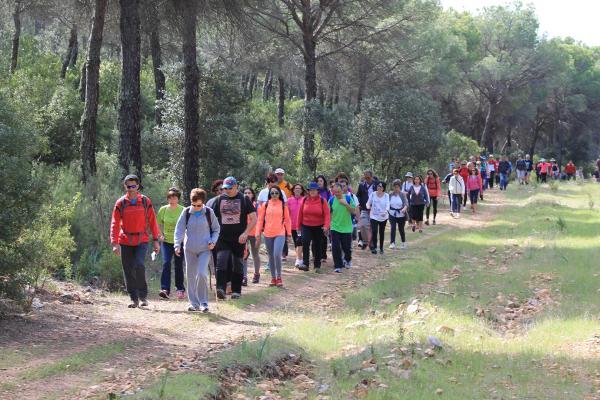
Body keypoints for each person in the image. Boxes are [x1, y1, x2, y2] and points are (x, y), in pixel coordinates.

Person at [110, 174, 160, 308]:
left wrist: (156, 240)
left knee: (139, 265)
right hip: (125, 240)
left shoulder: (145, 201)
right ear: (125, 186)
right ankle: (134, 299)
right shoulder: (120, 203)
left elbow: (153, 221)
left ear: (138, 186)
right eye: (128, 186)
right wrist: (114, 243)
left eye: (133, 186)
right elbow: (115, 223)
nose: (131, 188)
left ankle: (143, 296)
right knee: (128, 270)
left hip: (141, 240)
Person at [174, 188, 220, 313]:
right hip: (189, 249)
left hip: (205, 249)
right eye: (193, 205)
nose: (196, 207)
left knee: (202, 274)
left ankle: (204, 303)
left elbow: (216, 229)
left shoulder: (209, 213)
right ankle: (193, 303)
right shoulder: (187, 212)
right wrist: (177, 244)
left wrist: (213, 241)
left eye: (199, 205)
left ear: (203, 203)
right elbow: (179, 229)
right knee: (190, 275)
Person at [211, 177, 256, 299]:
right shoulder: (219, 199)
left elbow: (254, 218)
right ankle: (220, 288)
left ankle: (236, 291)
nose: (227, 190)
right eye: (225, 188)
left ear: (236, 186)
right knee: (221, 261)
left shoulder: (244, 199)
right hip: (223, 237)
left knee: (237, 264)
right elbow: (212, 218)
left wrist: (246, 233)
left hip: (239, 238)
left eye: (230, 188)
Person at [256, 186, 291, 287]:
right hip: (267, 233)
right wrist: (257, 232)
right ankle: (273, 278)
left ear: (280, 194)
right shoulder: (265, 205)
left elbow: (288, 220)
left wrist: (289, 234)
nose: (274, 195)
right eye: (272, 193)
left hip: (280, 233)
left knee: (276, 254)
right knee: (271, 256)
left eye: (276, 193)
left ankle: (279, 277)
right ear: (269, 194)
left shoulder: (283, 206)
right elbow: (260, 220)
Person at [157, 187, 185, 300]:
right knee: (166, 263)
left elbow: (187, 225)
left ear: (178, 199)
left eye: (174, 197)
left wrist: (184, 237)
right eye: (170, 197)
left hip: (180, 242)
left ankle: (180, 289)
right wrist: (160, 235)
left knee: (178, 266)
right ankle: (165, 289)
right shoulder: (163, 210)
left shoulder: (183, 210)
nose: (172, 199)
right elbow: (157, 224)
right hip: (167, 242)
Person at [297, 182, 331, 272]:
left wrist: (326, 226)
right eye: (310, 190)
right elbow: (300, 214)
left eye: (314, 190)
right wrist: (298, 226)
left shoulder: (322, 201)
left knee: (317, 245)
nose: (312, 192)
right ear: (308, 191)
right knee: (305, 242)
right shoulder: (304, 200)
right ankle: (305, 264)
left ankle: (317, 265)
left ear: (317, 191)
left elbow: (327, 215)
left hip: (318, 226)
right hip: (306, 225)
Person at [329, 182, 356, 273]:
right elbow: (328, 213)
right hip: (335, 227)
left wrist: (346, 204)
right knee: (335, 247)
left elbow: (353, 212)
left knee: (346, 247)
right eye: (335, 192)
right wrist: (327, 225)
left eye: (339, 192)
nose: (337, 194)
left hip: (346, 228)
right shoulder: (331, 200)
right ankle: (338, 265)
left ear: (342, 190)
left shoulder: (348, 198)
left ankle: (347, 260)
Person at [356, 170, 379, 250]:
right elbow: (358, 195)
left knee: (372, 227)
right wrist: (359, 203)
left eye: (368, 177)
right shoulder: (361, 185)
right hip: (364, 209)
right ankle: (365, 241)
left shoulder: (376, 185)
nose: (367, 179)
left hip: (375, 210)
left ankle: (372, 243)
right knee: (363, 225)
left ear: (371, 177)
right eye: (365, 178)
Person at [242, 187, 261, 284]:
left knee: (255, 254)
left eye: (249, 193)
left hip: (255, 233)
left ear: (253, 194)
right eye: (245, 192)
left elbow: (260, 220)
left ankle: (256, 274)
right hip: (244, 233)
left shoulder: (257, 205)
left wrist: (258, 233)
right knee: (244, 255)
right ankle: (244, 276)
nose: (247, 194)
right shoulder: (241, 204)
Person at [366, 181, 390, 254]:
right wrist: (368, 206)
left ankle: (381, 248)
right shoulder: (373, 194)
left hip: (383, 217)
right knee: (374, 231)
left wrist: (385, 211)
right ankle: (374, 247)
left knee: (381, 232)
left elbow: (388, 204)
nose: (379, 188)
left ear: (383, 188)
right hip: (374, 216)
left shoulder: (386, 195)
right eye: (378, 186)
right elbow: (368, 202)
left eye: (381, 187)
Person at [287, 183, 306, 268]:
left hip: (302, 226)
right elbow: (287, 214)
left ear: (302, 190)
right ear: (293, 190)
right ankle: (299, 258)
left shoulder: (305, 199)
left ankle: (299, 260)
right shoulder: (289, 200)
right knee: (296, 243)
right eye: (296, 188)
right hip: (292, 226)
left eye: (299, 188)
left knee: (300, 241)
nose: (297, 190)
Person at [388, 179, 409, 250]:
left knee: (401, 229)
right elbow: (387, 203)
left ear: (400, 187)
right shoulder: (390, 194)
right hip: (392, 213)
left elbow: (406, 203)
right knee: (393, 227)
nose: (396, 188)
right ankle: (392, 243)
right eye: (395, 187)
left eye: (397, 187)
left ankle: (403, 242)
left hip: (401, 214)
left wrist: (404, 209)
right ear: (393, 187)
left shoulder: (402, 194)